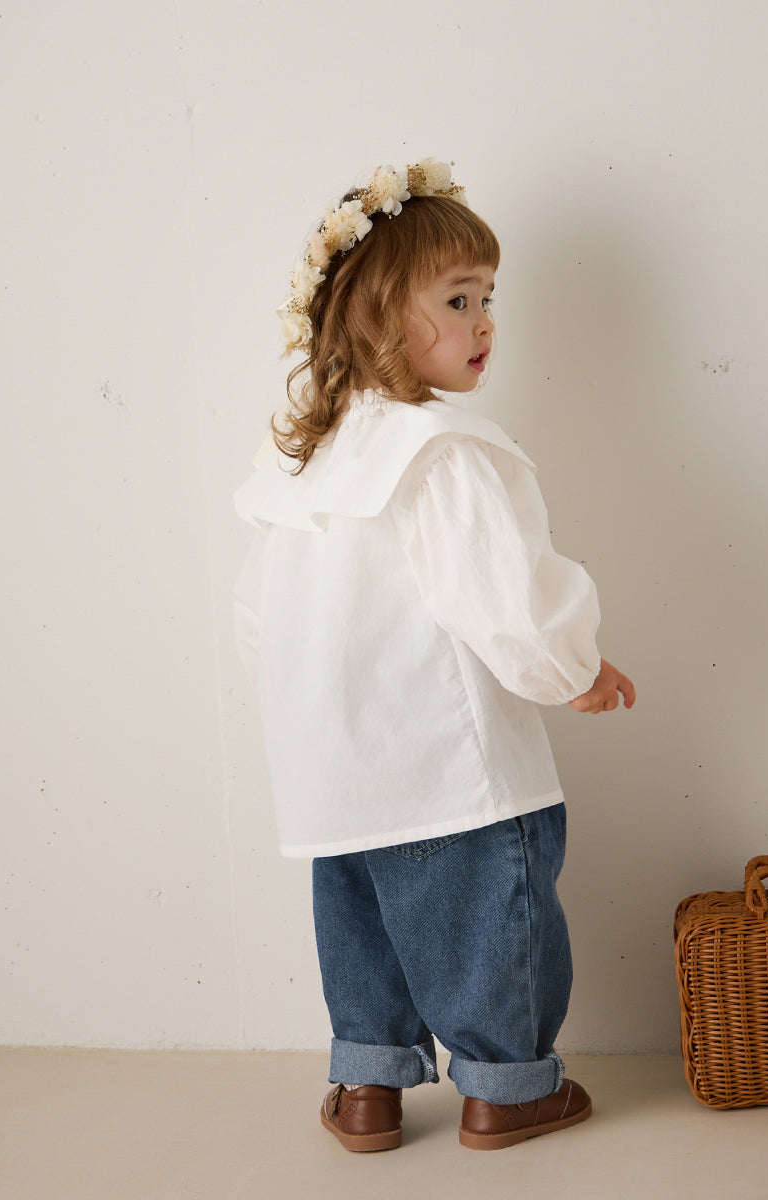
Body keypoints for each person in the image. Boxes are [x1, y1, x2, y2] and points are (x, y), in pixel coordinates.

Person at [233, 159, 636, 1152]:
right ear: (376, 314)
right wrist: (572, 668)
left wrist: (299, 709)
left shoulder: (304, 462)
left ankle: (367, 1087)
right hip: (447, 764)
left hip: (335, 766)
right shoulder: (443, 453)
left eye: (488, 299)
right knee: (488, 916)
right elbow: (503, 593)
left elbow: (257, 613)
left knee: (361, 924)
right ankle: (506, 1087)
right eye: (458, 301)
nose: (484, 323)